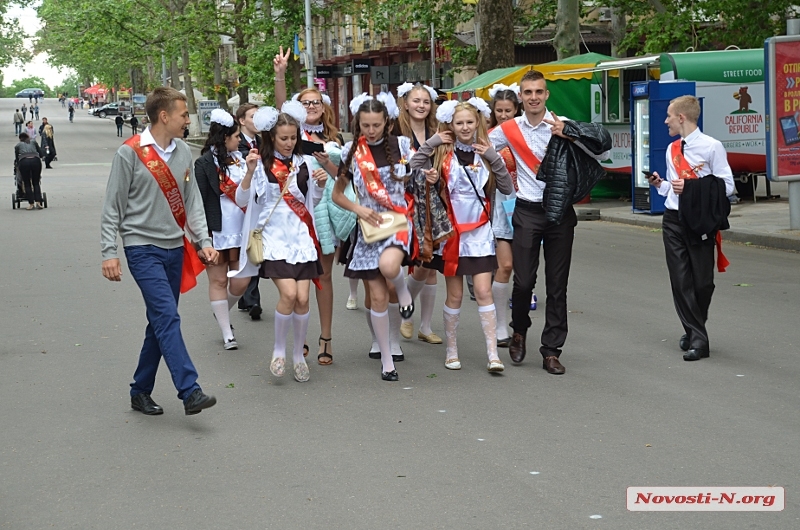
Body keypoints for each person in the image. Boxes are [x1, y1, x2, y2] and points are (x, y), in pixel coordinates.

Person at [100, 86, 218, 416]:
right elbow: (112, 207)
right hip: (142, 247)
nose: (187, 120)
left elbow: (192, 202)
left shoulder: (182, 152)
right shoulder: (130, 153)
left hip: (174, 248)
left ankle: (140, 390)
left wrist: (204, 242)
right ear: (164, 116)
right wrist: (109, 251)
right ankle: (189, 390)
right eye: (183, 115)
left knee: (159, 322)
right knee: (167, 316)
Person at [488, 70, 607, 375]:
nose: (534, 98)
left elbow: (602, 149)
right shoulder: (510, 128)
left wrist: (571, 133)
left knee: (557, 285)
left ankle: (551, 350)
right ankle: (519, 330)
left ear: (546, 95)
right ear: (520, 98)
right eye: (528, 93)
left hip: (560, 211)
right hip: (526, 210)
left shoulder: (562, 122)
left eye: (539, 92)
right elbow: (480, 146)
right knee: (524, 280)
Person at [411, 99, 513, 373]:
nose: (466, 127)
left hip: (480, 232)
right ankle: (451, 349)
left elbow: (506, 187)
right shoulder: (444, 153)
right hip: (451, 234)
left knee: (483, 290)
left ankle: (493, 354)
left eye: (470, 122)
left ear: (478, 123)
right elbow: (413, 165)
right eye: (459, 123)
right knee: (454, 295)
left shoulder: (486, 153)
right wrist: (432, 142)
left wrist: (493, 157)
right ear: (451, 126)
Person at [230, 102, 321, 383]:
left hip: (301, 238)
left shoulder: (303, 163)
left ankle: (298, 355)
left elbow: (312, 202)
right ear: (272, 137)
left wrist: (319, 184)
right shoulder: (260, 164)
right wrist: (248, 172)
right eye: (284, 138)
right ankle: (280, 350)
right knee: (290, 295)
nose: (289, 143)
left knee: (304, 299)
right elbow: (242, 200)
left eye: (293, 137)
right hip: (274, 239)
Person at [332, 95, 416, 382]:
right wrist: (358, 208)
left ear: (387, 122)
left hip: (398, 222)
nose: (371, 130)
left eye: (377, 125)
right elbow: (337, 194)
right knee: (377, 298)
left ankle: (404, 292)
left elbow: (415, 180)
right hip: (369, 228)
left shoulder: (402, 145)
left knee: (391, 267)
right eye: (366, 125)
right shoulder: (352, 151)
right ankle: (387, 360)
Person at [648, 95, 734, 362]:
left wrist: (692, 187)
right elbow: (672, 192)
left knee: (703, 283)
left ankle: (693, 327)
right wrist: (660, 184)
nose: (666, 120)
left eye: (669, 116)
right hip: (673, 220)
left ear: (682, 117)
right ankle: (699, 340)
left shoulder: (712, 147)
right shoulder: (672, 149)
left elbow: (727, 186)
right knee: (681, 281)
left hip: (700, 223)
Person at [274, 46, 344, 366]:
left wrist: (326, 172)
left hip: (324, 214)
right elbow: (279, 110)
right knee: (296, 280)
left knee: (324, 277)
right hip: (294, 217)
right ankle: (297, 339)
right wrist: (280, 75)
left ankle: (326, 337)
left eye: (316, 101)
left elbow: (344, 178)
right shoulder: (292, 133)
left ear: (324, 106)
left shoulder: (335, 137)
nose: (311, 106)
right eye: (305, 102)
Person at [194, 109, 253, 350]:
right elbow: (197, 200)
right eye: (236, 136)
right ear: (224, 137)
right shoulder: (204, 163)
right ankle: (227, 331)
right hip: (217, 230)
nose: (240, 140)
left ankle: (221, 312)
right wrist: (202, 237)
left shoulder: (243, 158)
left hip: (242, 228)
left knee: (241, 281)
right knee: (218, 280)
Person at [393, 81, 443, 345]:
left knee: (429, 264)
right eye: (416, 101)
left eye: (425, 101)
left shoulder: (438, 131)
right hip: (403, 202)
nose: (421, 106)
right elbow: (395, 169)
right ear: (405, 102)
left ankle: (424, 324)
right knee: (408, 260)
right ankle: (405, 309)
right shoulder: (396, 131)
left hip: (432, 202)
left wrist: (437, 176)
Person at [487, 83, 534, 348]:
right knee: (504, 266)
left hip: (528, 205)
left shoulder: (525, 134)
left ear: (517, 108)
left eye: (509, 110)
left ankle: (519, 319)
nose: (504, 115)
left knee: (524, 269)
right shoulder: (492, 137)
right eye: (500, 110)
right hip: (501, 205)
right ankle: (500, 324)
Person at [234, 102, 264, 320]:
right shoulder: (237, 146)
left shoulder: (265, 142)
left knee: (256, 247)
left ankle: (248, 297)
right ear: (242, 121)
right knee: (247, 249)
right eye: (253, 116)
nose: (257, 120)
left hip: (261, 202)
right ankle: (250, 297)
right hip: (241, 201)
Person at [14, 132, 45, 210]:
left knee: (27, 183)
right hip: (35, 161)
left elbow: (17, 158)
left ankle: (31, 203)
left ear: (20, 139)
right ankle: (38, 201)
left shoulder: (18, 146)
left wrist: (18, 165)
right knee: (36, 182)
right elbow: (41, 153)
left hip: (24, 162)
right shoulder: (34, 142)